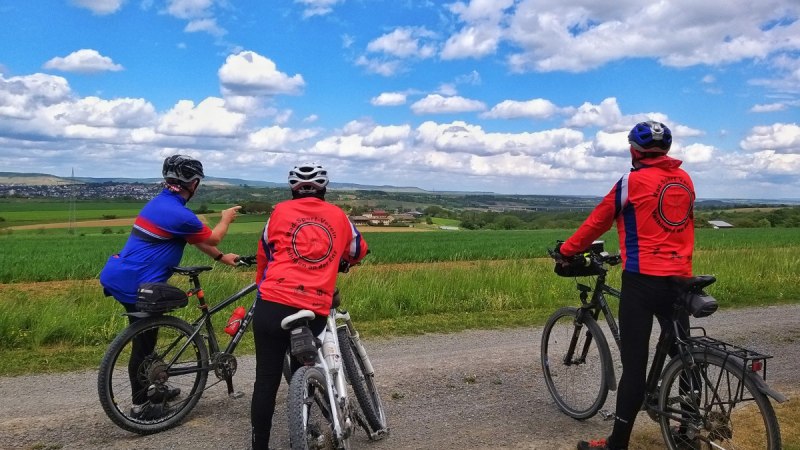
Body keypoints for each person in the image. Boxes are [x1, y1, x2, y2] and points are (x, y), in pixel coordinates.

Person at [555, 121, 696, 450]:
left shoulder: (631, 181)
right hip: (680, 278)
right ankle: (689, 428)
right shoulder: (685, 180)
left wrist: (567, 251)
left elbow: (598, 220)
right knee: (684, 353)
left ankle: (617, 444)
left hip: (643, 280)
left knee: (634, 365)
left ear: (634, 150)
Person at [99, 154, 241, 419]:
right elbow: (213, 236)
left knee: (145, 342)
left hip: (123, 275)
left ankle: (153, 389)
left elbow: (194, 239)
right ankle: (142, 405)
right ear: (194, 183)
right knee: (142, 345)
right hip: (136, 282)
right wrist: (225, 218)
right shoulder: (179, 213)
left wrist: (221, 258)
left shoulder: (162, 205)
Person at [250, 163, 369, 450]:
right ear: (324, 189)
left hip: (271, 303)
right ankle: (303, 413)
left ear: (293, 189)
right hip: (313, 306)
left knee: (265, 378)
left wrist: (262, 289)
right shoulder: (338, 216)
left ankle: (259, 445)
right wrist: (342, 262)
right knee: (302, 358)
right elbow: (358, 250)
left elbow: (265, 255)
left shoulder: (278, 212)